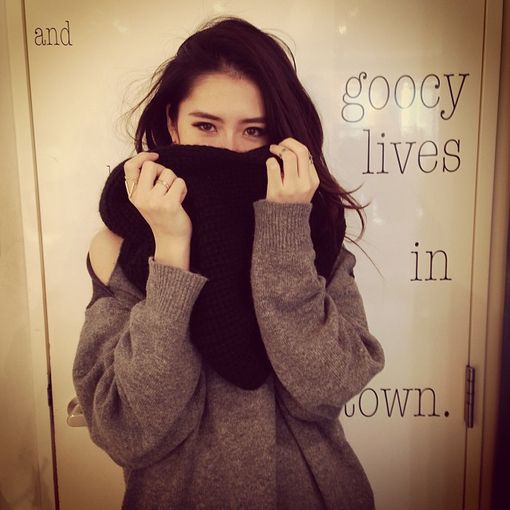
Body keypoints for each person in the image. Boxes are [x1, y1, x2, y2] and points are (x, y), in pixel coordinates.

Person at [72, 16, 385, 510]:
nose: (228, 150)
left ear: (278, 137)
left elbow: (326, 390)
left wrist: (284, 236)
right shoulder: (121, 248)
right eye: (206, 126)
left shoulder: (316, 235)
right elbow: (128, 428)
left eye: (253, 130)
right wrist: (171, 250)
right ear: (173, 123)